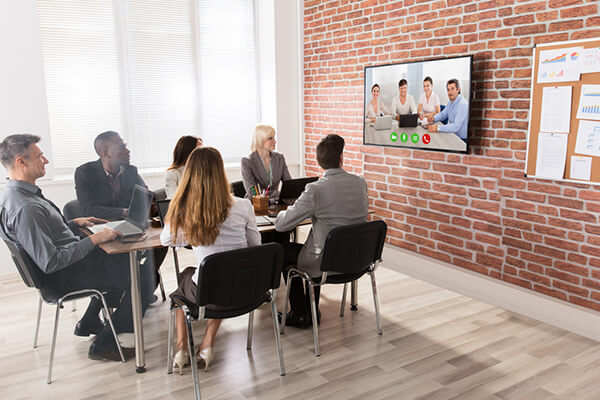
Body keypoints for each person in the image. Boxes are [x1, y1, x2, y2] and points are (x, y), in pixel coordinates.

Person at [0, 134, 154, 361]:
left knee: (129, 262)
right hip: (62, 277)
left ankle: (90, 321)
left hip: (67, 268)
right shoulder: (26, 208)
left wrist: (73, 224)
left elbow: (45, 236)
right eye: (39, 156)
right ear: (21, 162)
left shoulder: (17, 196)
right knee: (143, 277)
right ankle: (105, 344)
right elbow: (51, 261)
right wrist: (93, 240)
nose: (46, 161)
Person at [161, 147, 260, 374]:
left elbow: (166, 240)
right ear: (221, 171)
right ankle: (207, 344)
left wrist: (189, 233)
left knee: (182, 287)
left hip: (209, 293)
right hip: (246, 289)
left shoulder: (185, 210)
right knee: (220, 276)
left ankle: (181, 348)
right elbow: (255, 247)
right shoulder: (243, 205)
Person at [274, 134, 368, 328]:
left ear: (319, 161)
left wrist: (285, 211)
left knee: (282, 250)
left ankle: (300, 313)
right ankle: (311, 310)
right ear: (341, 158)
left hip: (326, 262)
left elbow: (281, 226)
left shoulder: (315, 190)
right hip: (357, 259)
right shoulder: (360, 183)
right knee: (318, 246)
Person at [74, 131, 168, 295]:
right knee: (119, 258)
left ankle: (143, 284)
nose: (127, 150)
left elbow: (144, 193)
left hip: (129, 225)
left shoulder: (130, 170)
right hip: (101, 230)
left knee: (163, 242)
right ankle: (132, 290)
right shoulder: (85, 173)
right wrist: (124, 212)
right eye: (121, 147)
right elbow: (88, 209)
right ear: (105, 153)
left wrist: (150, 205)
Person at [241, 124, 291, 204]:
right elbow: (252, 193)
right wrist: (278, 194)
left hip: (275, 203)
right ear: (260, 140)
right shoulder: (247, 161)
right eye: (270, 138)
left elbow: (289, 184)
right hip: (256, 205)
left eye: (274, 137)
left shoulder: (279, 158)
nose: (275, 141)